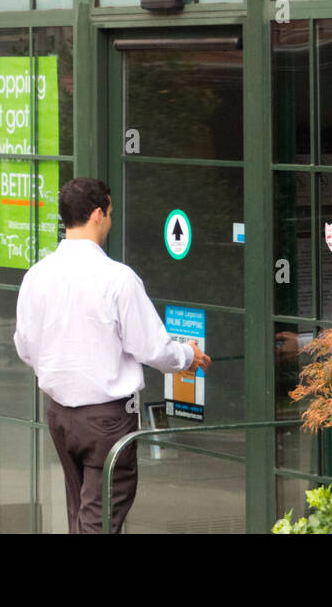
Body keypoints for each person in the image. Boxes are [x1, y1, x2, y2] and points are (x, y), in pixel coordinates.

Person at [14, 176, 211, 534]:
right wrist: (188, 356)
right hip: (107, 420)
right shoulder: (117, 279)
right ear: (96, 215)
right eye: (109, 211)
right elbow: (152, 347)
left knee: (82, 514)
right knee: (98, 522)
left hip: (59, 414)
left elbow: (25, 347)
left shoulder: (36, 276)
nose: (110, 218)